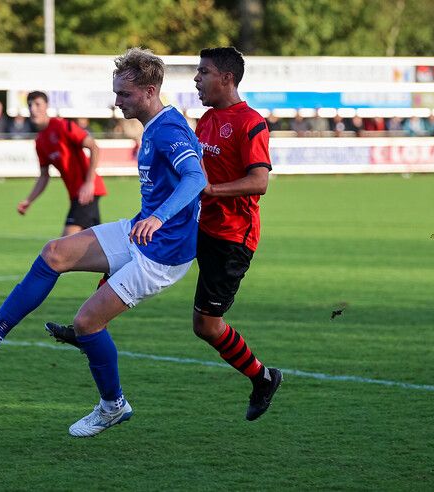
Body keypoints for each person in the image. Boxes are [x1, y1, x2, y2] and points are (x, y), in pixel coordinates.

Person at [0, 47, 207, 437]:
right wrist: (148, 218)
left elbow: (196, 179)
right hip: (139, 232)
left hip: (164, 254)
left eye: (124, 95)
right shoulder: (153, 126)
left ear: (150, 91)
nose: (116, 103)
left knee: (86, 322)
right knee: (54, 252)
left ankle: (113, 406)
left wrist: (158, 217)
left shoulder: (169, 129)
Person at [47, 47, 282, 422]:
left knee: (206, 326)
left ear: (227, 78)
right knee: (133, 248)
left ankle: (263, 377)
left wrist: (209, 191)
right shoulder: (203, 122)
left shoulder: (250, 122)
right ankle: (89, 325)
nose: (196, 79)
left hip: (231, 237)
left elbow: (260, 181)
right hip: (193, 226)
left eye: (203, 72)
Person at [18, 90, 107, 237]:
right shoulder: (40, 141)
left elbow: (94, 147)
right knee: (94, 247)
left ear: (46, 106)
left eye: (37, 104)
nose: (33, 109)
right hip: (76, 195)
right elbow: (44, 176)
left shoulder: (62, 126)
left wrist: (89, 182)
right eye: (30, 105)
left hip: (86, 192)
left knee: (62, 248)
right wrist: (29, 200)